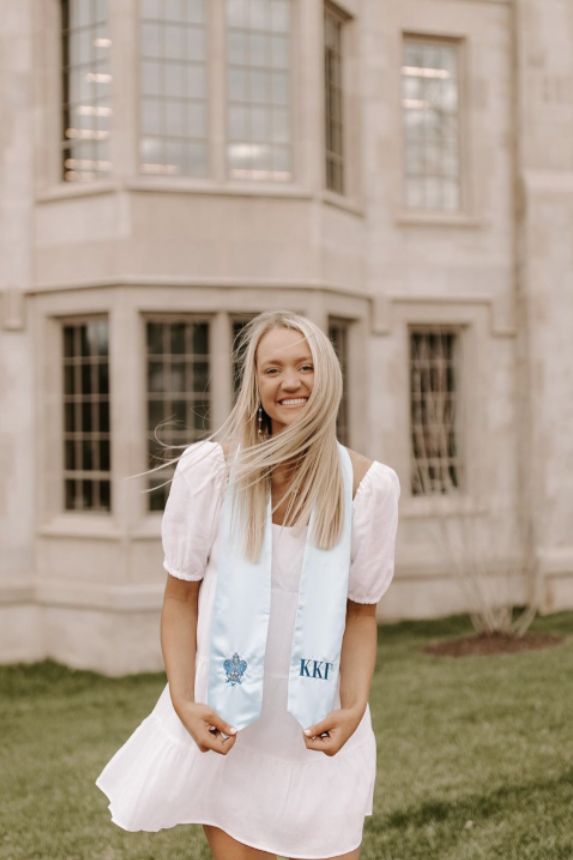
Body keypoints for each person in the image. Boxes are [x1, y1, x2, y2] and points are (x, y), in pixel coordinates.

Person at [96, 310, 400, 860]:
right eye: (273, 369)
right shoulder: (212, 473)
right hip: (231, 718)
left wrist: (354, 708)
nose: (290, 382)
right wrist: (186, 700)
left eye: (305, 366)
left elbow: (362, 613)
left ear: (327, 375)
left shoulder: (367, 487)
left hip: (317, 718)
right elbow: (179, 597)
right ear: (254, 383)